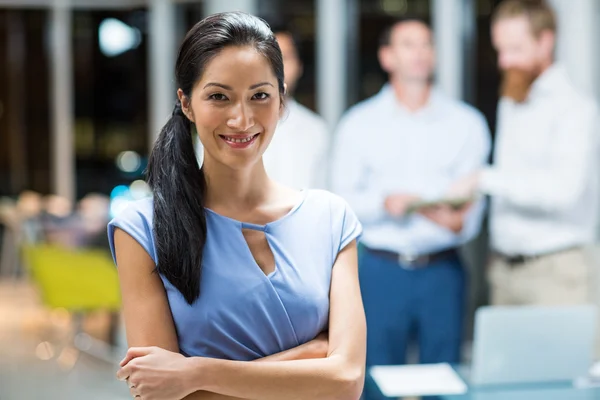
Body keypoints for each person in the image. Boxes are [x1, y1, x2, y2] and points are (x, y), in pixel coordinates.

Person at [107, 12, 365, 400]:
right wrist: (312, 357)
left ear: (281, 98)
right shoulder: (144, 229)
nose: (241, 118)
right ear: (187, 103)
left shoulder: (331, 218)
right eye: (218, 96)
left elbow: (346, 380)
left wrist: (194, 372)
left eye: (259, 95)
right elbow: (159, 393)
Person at [330, 17, 490, 400]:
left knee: (447, 378)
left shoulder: (466, 123)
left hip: (443, 271)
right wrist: (389, 203)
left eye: (426, 44)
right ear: (387, 56)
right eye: (408, 44)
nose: (420, 53)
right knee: (372, 378)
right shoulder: (359, 124)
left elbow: (466, 220)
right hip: (380, 271)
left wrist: (415, 206)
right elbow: (342, 200)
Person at [449, 0, 599, 307]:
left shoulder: (576, 109)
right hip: (504, 270)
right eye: (500, 49)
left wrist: (483, 179)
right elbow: (515, 181)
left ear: (545, 42)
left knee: (566, 357)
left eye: (515, 49)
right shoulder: (512, 100)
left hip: (557, 273)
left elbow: (563, 191)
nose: (504, 61)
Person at [261, 22, 329, 190]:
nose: (276, 68)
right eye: (268, 58)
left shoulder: (316, 129)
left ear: (299, 66)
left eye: (285, 58)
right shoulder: (224, 127)